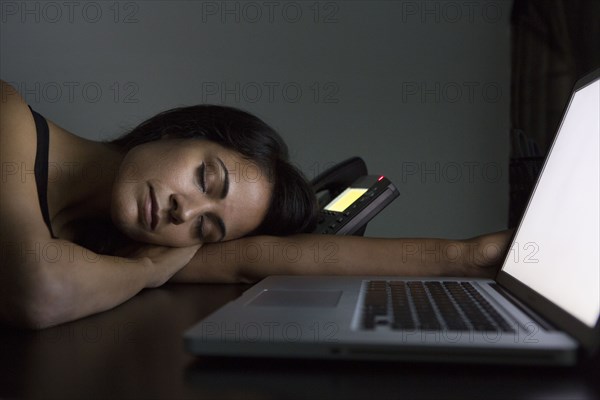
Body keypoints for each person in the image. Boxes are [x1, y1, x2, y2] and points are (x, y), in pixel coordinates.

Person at [0, 80, 512, 329]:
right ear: (176, 130)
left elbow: (266, 259)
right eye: (207, 177)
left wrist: (464, 258)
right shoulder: (8, 117)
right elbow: (40, 293)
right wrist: (147, 274)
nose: (186, 213)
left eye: (208, 229)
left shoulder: (124, 242)